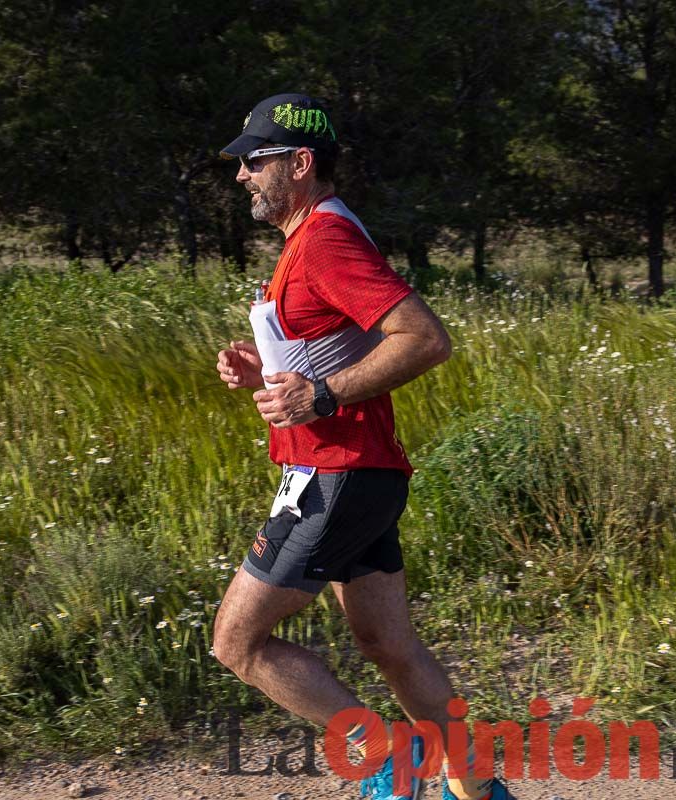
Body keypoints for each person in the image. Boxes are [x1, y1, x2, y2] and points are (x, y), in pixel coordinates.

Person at [212, 93, 514, 800]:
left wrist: (319, 397)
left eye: (253, 161)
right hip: (362, 474)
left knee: (238, 642)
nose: (241, 176)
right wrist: (270, 373)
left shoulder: (325, 240)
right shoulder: (312, 237)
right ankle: (480, 792)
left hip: (335, 473)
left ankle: (387, 758)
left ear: (300, 162)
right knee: (390, 647)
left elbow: (425, 338)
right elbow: (335, 348)